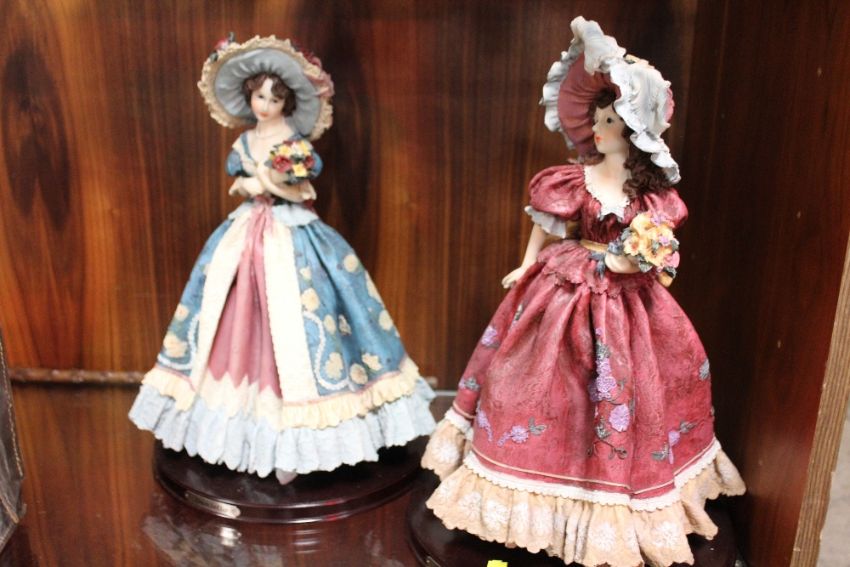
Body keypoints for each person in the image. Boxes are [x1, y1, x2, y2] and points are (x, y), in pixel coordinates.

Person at [421, 17, 745, 567]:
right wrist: (525, 266)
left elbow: (662, 250)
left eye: (610, 119)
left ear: (634, 128)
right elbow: (547, 227)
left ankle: (613, 495)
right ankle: (532, 481)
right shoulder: (577, 178)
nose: (599, 127)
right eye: (596, 117)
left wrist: (645, 260)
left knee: (633, 384)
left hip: (629, 300)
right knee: (539, 381)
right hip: (567, 286)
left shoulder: (651, 195)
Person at [130, 35, 435, 485]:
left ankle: (298, 441)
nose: (265, 106)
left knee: (299, 320)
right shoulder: (245, 142)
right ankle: (237, 434)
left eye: (274, 99)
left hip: (291, 237)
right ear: (249, 97)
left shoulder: (293, 144)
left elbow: (300, 190)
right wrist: (251, 186)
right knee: (228, 311)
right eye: (259, 97)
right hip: (245, 237)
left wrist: (268, 184)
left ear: (286, 103)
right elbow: (239, 181)